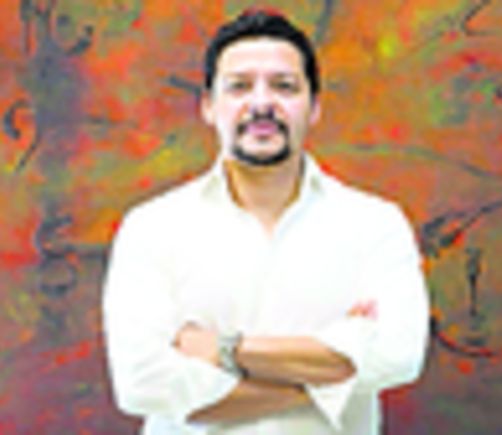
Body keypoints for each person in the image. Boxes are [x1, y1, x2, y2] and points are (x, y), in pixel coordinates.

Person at [102, 9, 430, 435]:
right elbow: (142, 384)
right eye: (239, 86)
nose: (261, 104)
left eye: (284, 86)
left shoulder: (374, 225)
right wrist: (330, 371)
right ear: (208, 107)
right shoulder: (152, 228)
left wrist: (222, 349)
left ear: (314, 107)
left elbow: (399, 357)